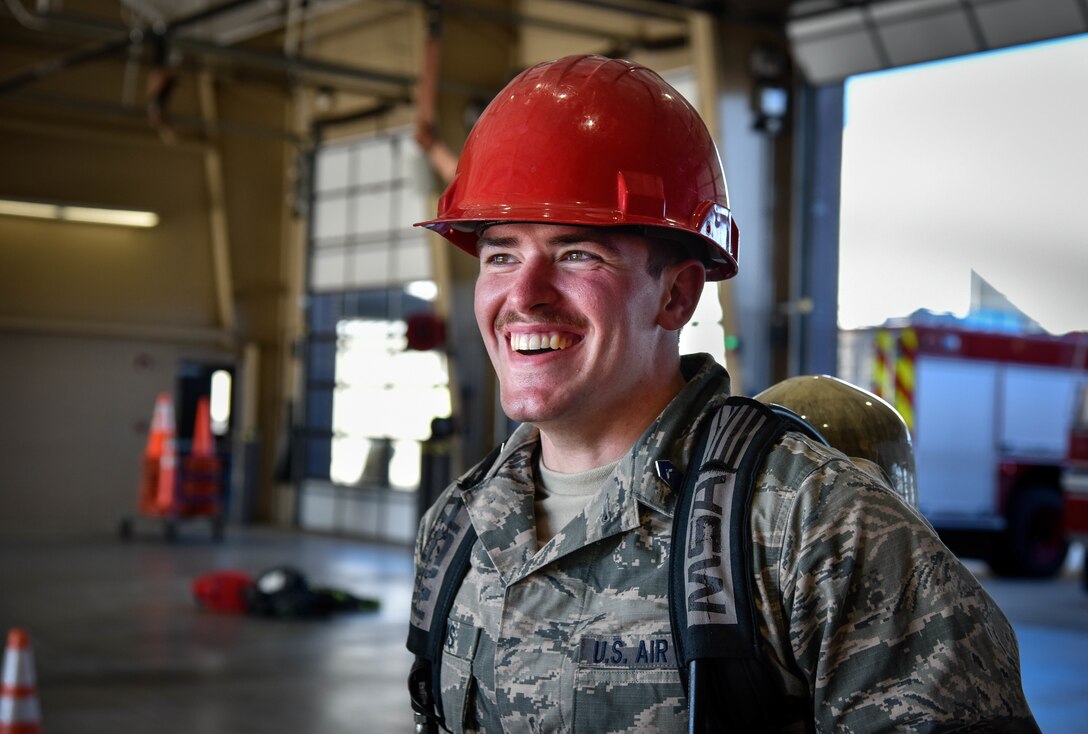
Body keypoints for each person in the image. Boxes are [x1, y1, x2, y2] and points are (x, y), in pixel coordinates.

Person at [409, 54, 1039, 733]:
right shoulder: (457, 527)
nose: (524, 296)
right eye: (501, 254)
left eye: (577, 254)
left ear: (677, 295)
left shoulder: (815, 530)